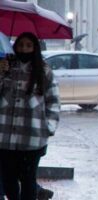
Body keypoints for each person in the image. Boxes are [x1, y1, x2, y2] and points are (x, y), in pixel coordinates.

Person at [0, 32, 60, 200]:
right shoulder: (6, 67)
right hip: (5, 137)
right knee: (8, 179)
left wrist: (49, 127)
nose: (24, 48)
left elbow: (53, 101)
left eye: (28, 45)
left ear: (34, 48)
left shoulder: (44, 70)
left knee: (28, 179)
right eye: (20, 45)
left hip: (32, 137)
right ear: (15, 47)